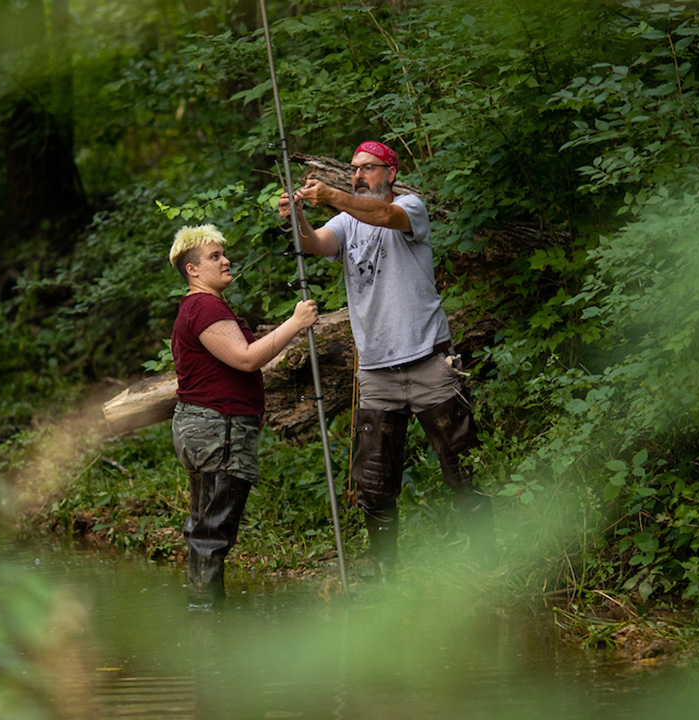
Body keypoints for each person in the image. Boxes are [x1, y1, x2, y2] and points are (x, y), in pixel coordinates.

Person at [277, 140, 494, 580]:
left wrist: (334, 194)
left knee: (462, 467)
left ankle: (489, 561)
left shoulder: (411, 207)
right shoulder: (345, 221)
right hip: (376, 370)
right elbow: (315, 244)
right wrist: (296, 217)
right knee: (374, 482)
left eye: (369, 169)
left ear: (391, 173)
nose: (359, 175)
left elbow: (384, 216)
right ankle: (383, 576)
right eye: (354, 169)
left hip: (428, 361)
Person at [168, 224, 318, 608]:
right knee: (212, 532)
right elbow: (246, 358)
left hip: (209, 427)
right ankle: (208, 622)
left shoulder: (202, 306)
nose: (225, 260)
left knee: (205, 527)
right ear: (193, 270)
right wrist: (296, 323)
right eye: (214, 256)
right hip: (217, 429)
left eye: (224, 253)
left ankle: (203, 614)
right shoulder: (203, 306)